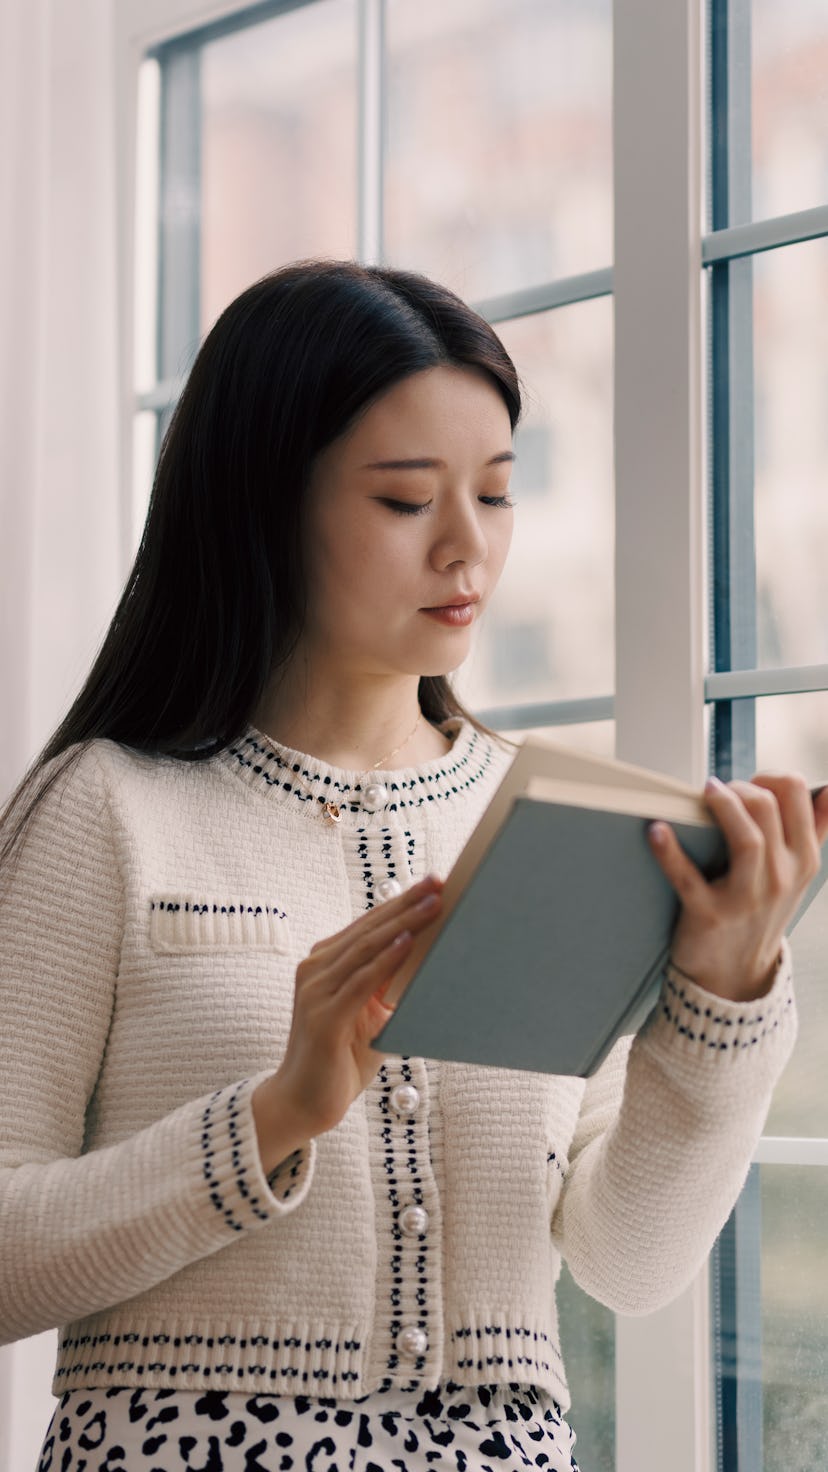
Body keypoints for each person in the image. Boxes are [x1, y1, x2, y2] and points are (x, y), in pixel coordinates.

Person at [1, 259, 825, 1472]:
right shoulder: (109, 810)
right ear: (260, 502)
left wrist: (725, 992)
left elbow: (628, 1260)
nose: (465, 547)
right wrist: (273, 1117)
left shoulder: (547, 817)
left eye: (497, 494)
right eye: (403, 500)